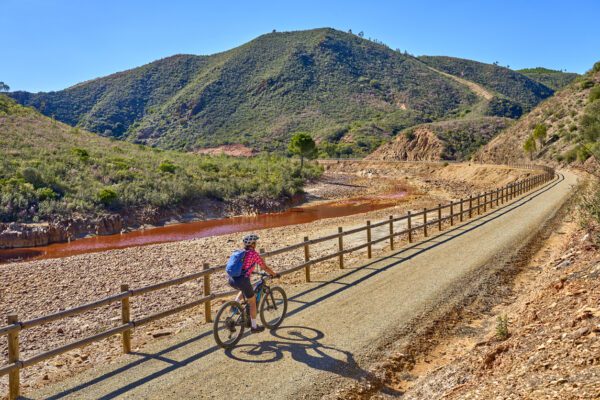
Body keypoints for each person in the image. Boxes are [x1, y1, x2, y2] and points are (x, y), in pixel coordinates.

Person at [228, 234, 278, 333]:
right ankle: (254, 327)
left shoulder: (240, 252)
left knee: (245, 289)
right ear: (253, 244)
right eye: (255, 242)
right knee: (252, 302)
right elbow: (264, 267)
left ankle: (235, 304)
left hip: (232, 279)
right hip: (243, 280)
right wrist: (274, 274)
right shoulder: (253, 254)